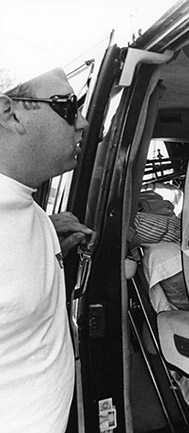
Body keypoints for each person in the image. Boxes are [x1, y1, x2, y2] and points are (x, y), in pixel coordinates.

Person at [0, 65, 91, 432]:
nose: (82, 122)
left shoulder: (28, 206)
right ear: (11, 113)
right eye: (69, 107)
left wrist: (47, 236)